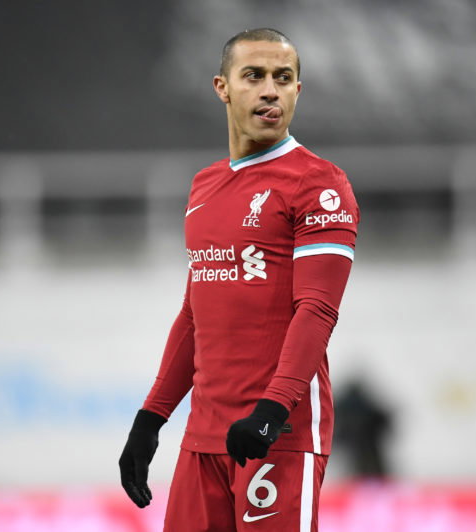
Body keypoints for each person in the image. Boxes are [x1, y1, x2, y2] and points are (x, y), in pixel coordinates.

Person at [119, 28, 359, 531]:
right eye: (253, 76)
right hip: (204, 437)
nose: (270, 90)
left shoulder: (319, 183)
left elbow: (316, 310)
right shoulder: (205, 185)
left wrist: (272, 410)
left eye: (283, 78)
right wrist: (152, 418)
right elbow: (194, 313)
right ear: (222, 87)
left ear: (298, 91)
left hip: (276, 433)